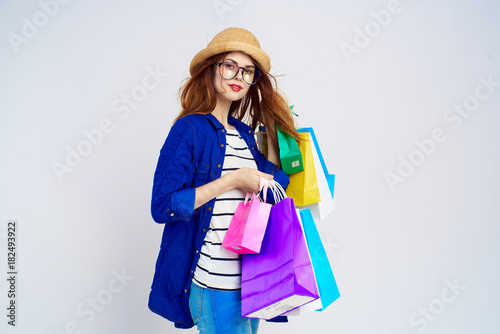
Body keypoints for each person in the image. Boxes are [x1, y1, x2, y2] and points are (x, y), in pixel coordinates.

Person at [148, 27, 300, 333]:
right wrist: (231, 181)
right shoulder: (190, 130)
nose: (238, 76)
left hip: (251, 285)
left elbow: (272, 192)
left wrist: (273, 132)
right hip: (214, 287)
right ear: (213, 69)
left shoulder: (244, 135)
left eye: (248, 72)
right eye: (230, 65)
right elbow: (163, 207)